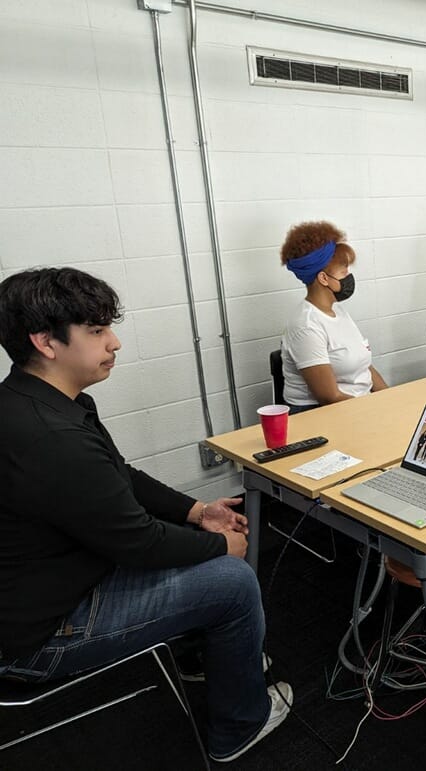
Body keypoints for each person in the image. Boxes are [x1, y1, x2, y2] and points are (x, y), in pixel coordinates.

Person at [0, 268, 290, 763]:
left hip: (44, 582)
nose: (114, 343)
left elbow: (121, 476)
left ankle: (215, 655)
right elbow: (138, 543)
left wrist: (198, 511)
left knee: (195, 541)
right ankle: (241, 725)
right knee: (233, 581)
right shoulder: (52, 438)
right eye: (96, 331)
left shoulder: (44, 404)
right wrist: (224, 545)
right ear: (46, 342)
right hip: (39, 637)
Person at [279, 221, 387, 411]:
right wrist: (375, 410)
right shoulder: (306, 326)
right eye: (344, 270)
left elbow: (364, 367)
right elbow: (329, 397)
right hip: (322, 415)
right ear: (323, 278)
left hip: (357, 407)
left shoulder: (338, 311)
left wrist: (390, 399)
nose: (348, 275)